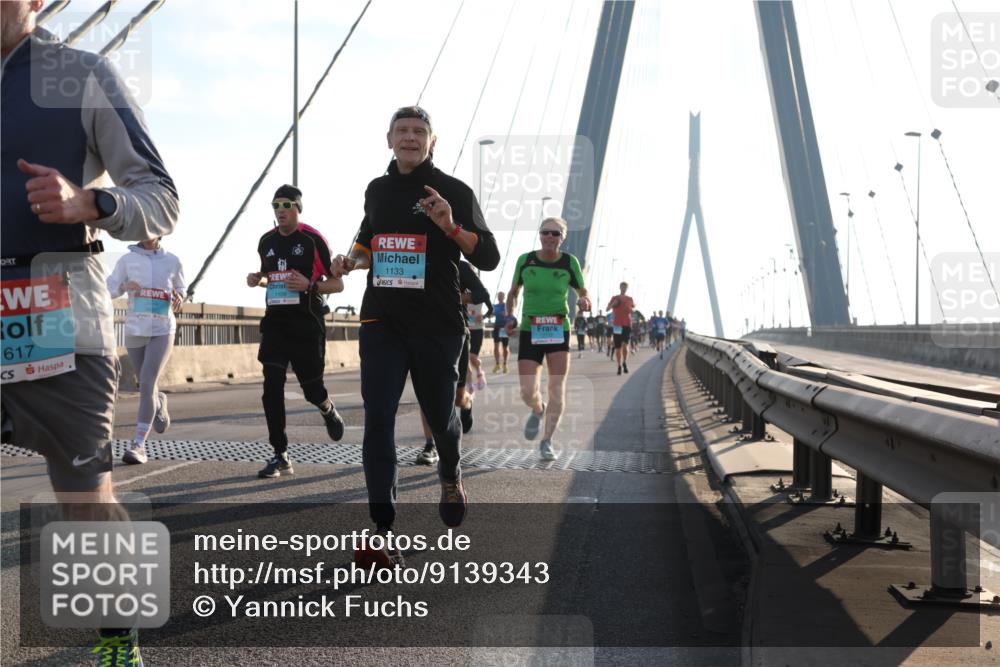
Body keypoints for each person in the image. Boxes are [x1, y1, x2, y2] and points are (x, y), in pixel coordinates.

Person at [1, 2, 179, 663]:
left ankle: (116, 636)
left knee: (82, 498)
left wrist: (90, 203)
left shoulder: (79, 75)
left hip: (54, 310)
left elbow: (160, 197)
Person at [332, 106, 499, 567]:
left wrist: (450, 226)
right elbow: (367, 241)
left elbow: (488, 257)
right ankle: (382, 531)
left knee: (440, 416)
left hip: (437, 324)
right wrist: (351, 261)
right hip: (382, 322)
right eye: (402, 131)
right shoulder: (377, 190)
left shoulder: (454, 191)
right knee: (378, 418)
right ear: (389, 139)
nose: (410, 138)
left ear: (432, 141)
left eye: (419, 131)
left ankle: (451, 472)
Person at [247, 184, 345, 479]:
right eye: (276, 205)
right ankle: (281, 455)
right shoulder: (266, 241)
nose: (281, 211)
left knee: (311, 389)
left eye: (287, 205)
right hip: (276, 324)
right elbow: (270, 275)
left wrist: (310, 285)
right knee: (271, 388)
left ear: (298, 209)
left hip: (307, 324)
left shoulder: (313, 240)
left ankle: (326, 407)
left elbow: (337, 284)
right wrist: (258, 279)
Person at [506, 217, 591, 462]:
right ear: (540, 235)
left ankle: (547, 440)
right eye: (545, 232)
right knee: (526, 391)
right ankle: (537, 408)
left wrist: (585, 301)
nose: (550, 237)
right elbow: (514, 292)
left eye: (555, 233)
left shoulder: (569, 262)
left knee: (556, 387)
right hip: (530, 329)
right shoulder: (525, 260)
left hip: (557, 329)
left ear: (562, 238)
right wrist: (510, 314)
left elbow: (583, 291)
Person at [106, 238, 186, 464]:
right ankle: (158, 401)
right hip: (135, 329)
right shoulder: (127, 260)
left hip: (163, 329)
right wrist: (123, 286)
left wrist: (180, 297)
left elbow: (181, 288)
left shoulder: (173, 260)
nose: (146, 232)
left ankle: (139, 445)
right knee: (144, 382)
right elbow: (109, 288)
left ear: (160, 232)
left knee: (148, 383)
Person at [415, 260, 492, 465]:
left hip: (455, 333)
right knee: (426, 391)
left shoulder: (460, 266)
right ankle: (430, 445)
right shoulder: (415, 258)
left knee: (457, 398)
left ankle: (467, 402)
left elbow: (481, 294)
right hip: (421, 332)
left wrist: (447, 296)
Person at [607, 282, 636, 375]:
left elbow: (633, 310)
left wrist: (630, 309)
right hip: (617, 325)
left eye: (625, 287)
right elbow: (607, 308)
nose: (624, 288)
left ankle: (624, 362)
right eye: (622, 287)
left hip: (627, 324)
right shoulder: (615, 298)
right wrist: (613, 304)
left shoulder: (630, 299)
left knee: (625, 345)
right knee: (618, 347)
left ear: (627, 288)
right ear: (620, 287)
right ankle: (619, 365)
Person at [491, 291, 510, 373]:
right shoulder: (495, 306)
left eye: (501, 296)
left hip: (504, 328)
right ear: (497, 297)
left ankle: (505, 364)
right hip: (497, 327)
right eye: (499, 296)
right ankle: (497, 364)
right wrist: (491, 312)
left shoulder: (506, 305)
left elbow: (507, 314)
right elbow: (491, 315)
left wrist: (504, 313)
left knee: (505, 347)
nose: (500, 297)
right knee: (496, 347)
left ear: (504, 297)